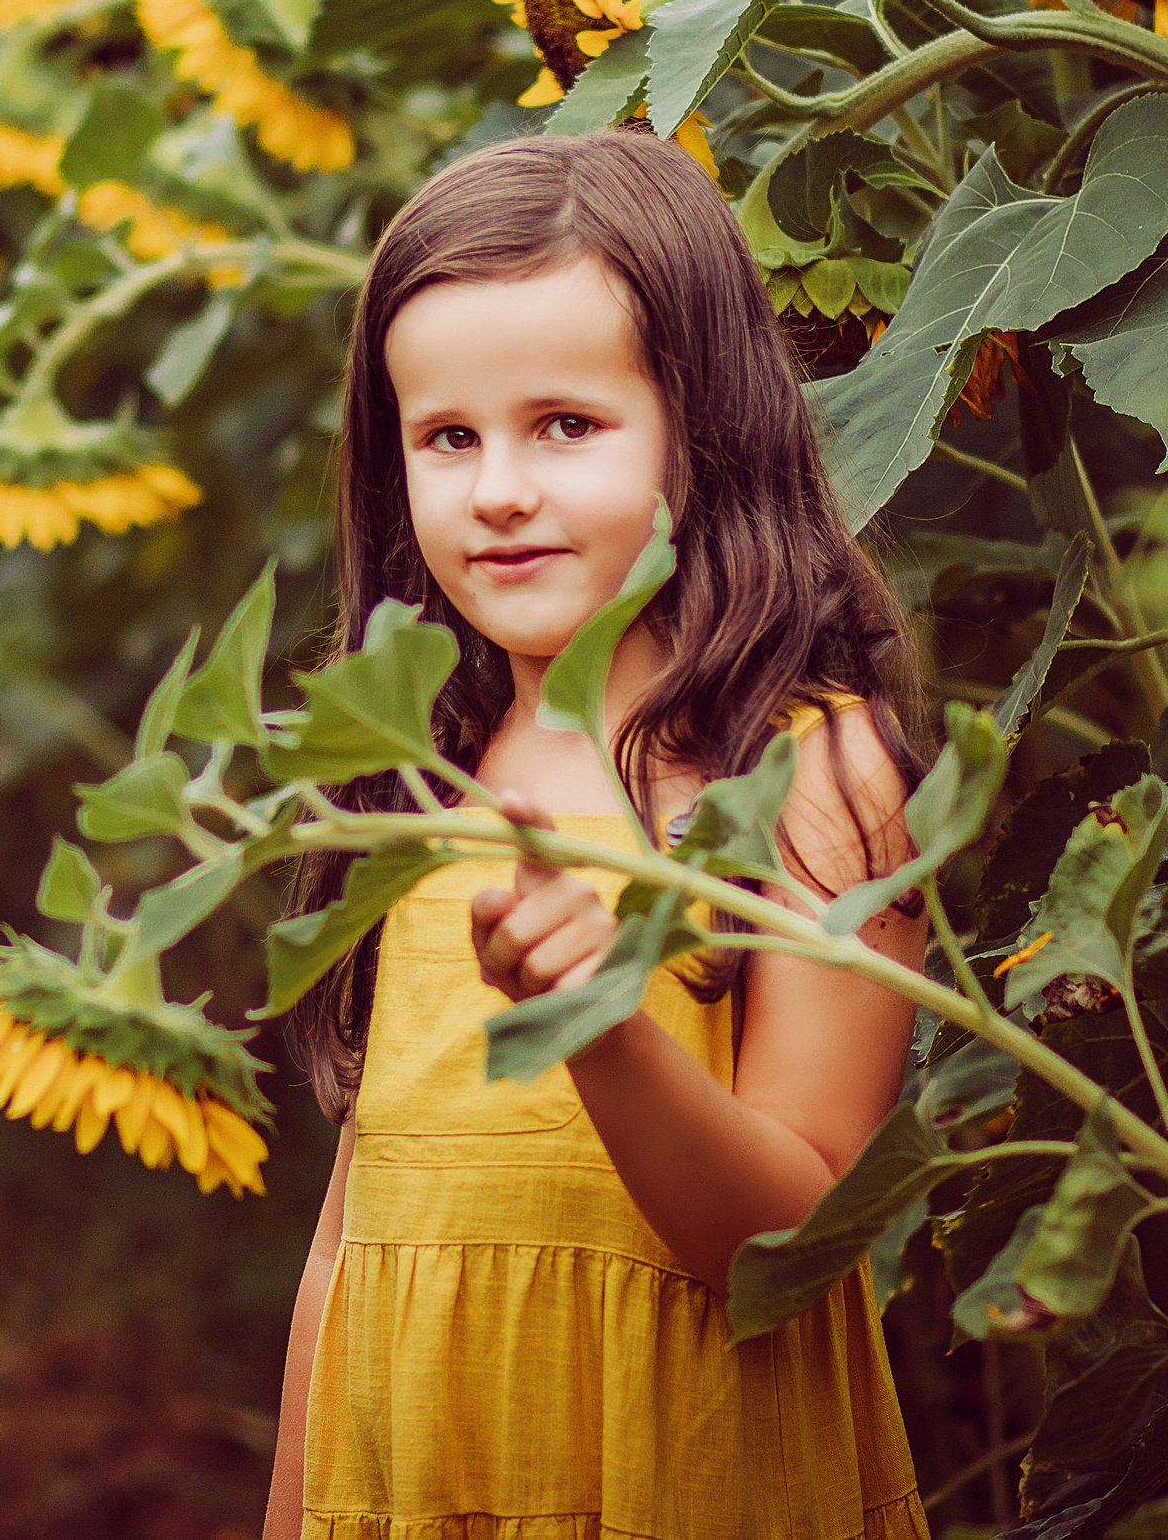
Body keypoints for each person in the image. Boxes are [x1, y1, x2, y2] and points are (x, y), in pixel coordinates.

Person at [263, 129, 934, 1540]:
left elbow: (795, 1238)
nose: (498, 487)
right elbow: (351, 1240)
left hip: (676, 1475)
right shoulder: (424, 773)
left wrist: (603, 1025)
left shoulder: (809, 774)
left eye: (565, 424)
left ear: (707, 432)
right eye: (450, 437)